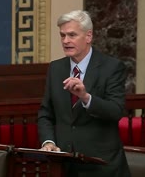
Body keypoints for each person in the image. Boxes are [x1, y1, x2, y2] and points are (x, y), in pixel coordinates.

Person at [37, 10, 131, 177]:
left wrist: (86, 98)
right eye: (62, 35)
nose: (66, 41)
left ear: (88, 36)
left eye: (72, 35)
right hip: (65, 165)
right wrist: (48, 141)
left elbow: (116, 111)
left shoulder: (111, 68)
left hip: (101, 165)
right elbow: (46, 113)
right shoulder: (56, 68)